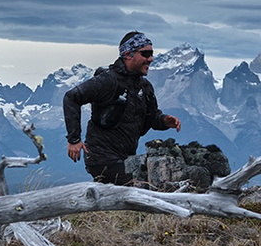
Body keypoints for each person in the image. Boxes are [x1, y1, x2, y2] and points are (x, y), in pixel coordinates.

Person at [63, 31, 181, 185]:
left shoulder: (144, 86)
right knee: (139, 190)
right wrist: (74, 139)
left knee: (144, 188)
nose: (150, 59)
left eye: (151, 54)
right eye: (146, 54)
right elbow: (71, 97)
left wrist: (164, 121)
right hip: (102, 157)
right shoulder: (108, 80)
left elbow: (152, 117)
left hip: (126, 157)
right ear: (128, 54)